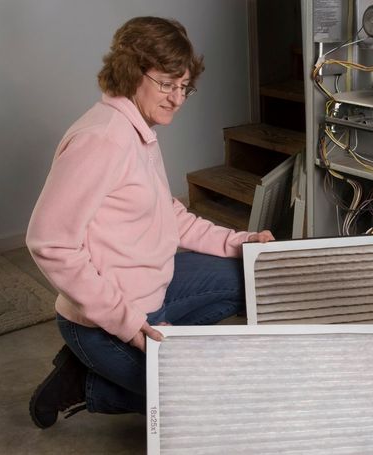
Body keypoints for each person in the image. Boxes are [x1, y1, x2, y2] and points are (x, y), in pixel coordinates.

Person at [26, 16, 274, 429]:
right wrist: (126, 324)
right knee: (212, 409)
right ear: (130, 71)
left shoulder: (138, 129)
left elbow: (172, 217)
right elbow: (49, 242)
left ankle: (156, 357)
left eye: (184, 87)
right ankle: (86, 383)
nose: (177, 98)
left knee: (247, 275)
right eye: (166, 84)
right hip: (111, 321)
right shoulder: (102, 138)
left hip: (154, 289)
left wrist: (242, 242)